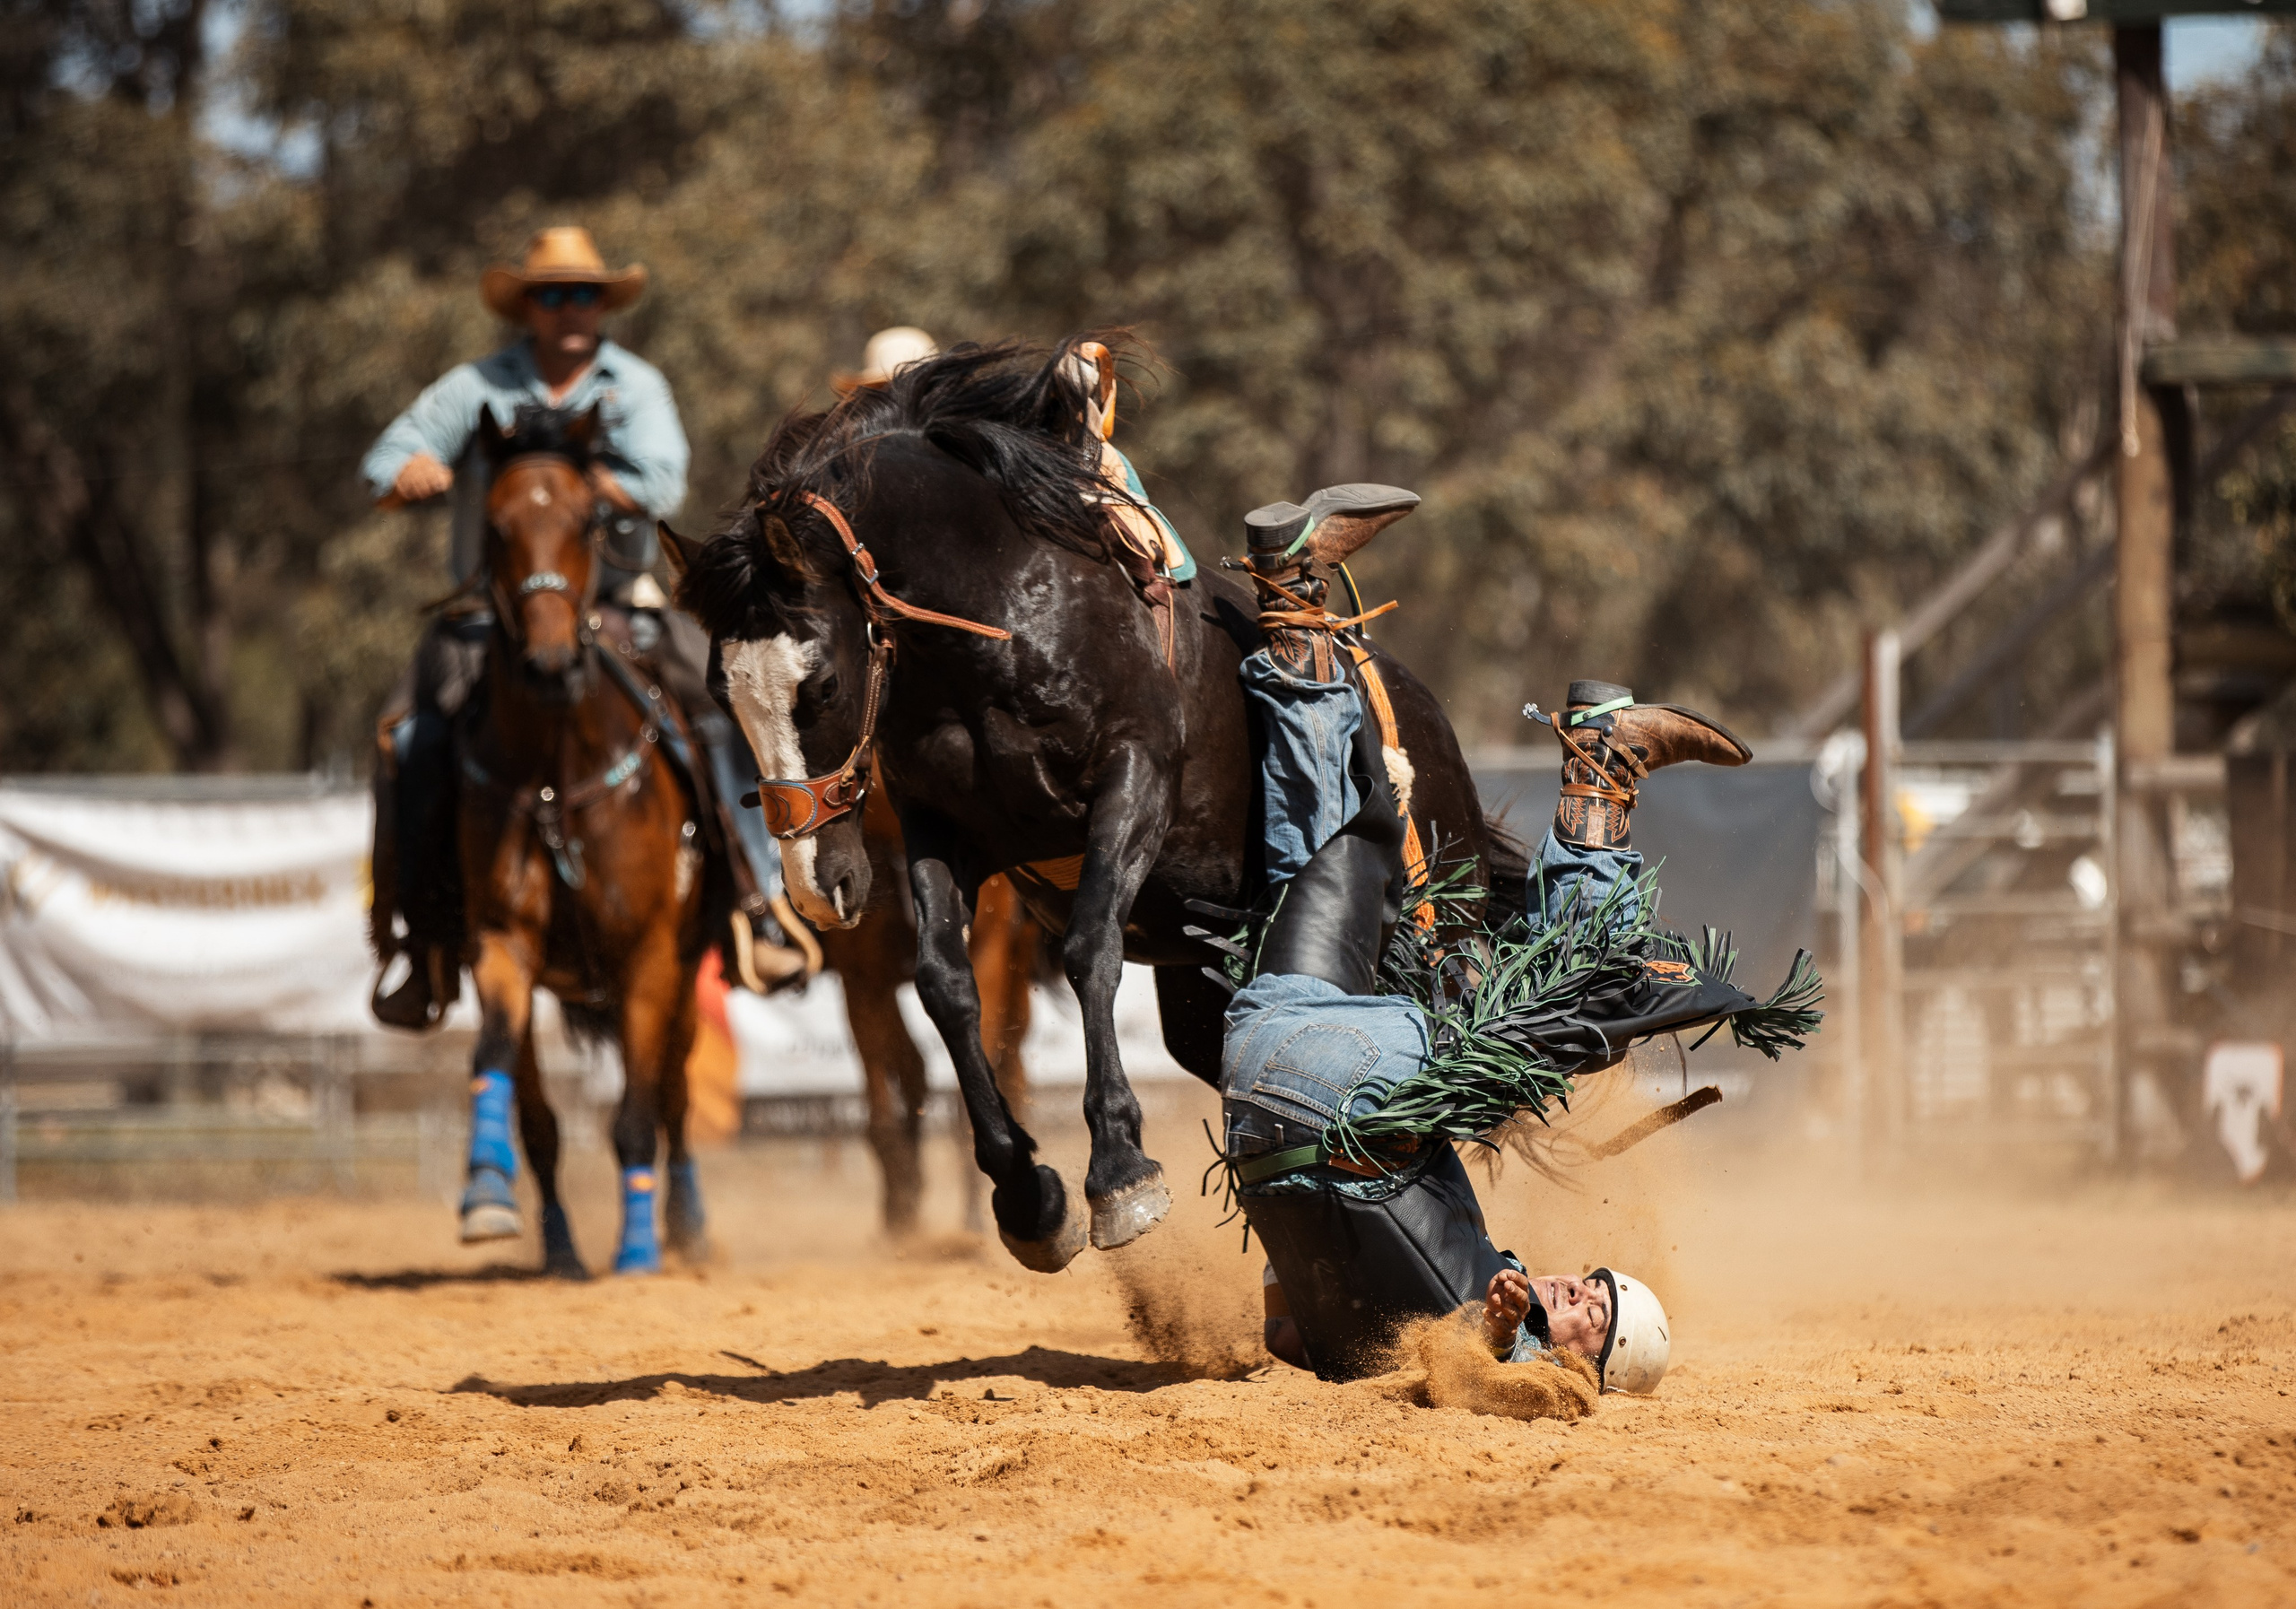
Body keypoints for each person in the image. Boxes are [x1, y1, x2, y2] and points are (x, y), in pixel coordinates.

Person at [1216, 488, 1819, 1391]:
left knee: (1558, 1011)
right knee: (1341, 848)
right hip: (1266, 1069)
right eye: (1599, 1287)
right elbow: (1286, 1339)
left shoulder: (1514, 1348)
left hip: (1343, 1099)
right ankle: (1292, 595)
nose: (1580, 1290)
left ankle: (1601, 769)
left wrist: (1500, 1332)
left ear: (1586, 1368)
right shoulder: (1452, 1297)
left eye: (1592, 1319)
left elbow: (1505, 1379)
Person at [362, 228, 799, 1030]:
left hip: (618, 606)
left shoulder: (634, 386)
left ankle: (755, 902)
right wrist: (407, 472)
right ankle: (417, 938)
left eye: (584, 295)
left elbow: (664, 477)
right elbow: (388, 455)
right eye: (553, 295)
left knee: (721, 706)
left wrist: (577, 485)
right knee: (412, 740)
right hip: (485, 619)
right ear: (528, 306)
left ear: (603, 305)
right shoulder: (475, 385)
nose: (570, 309)